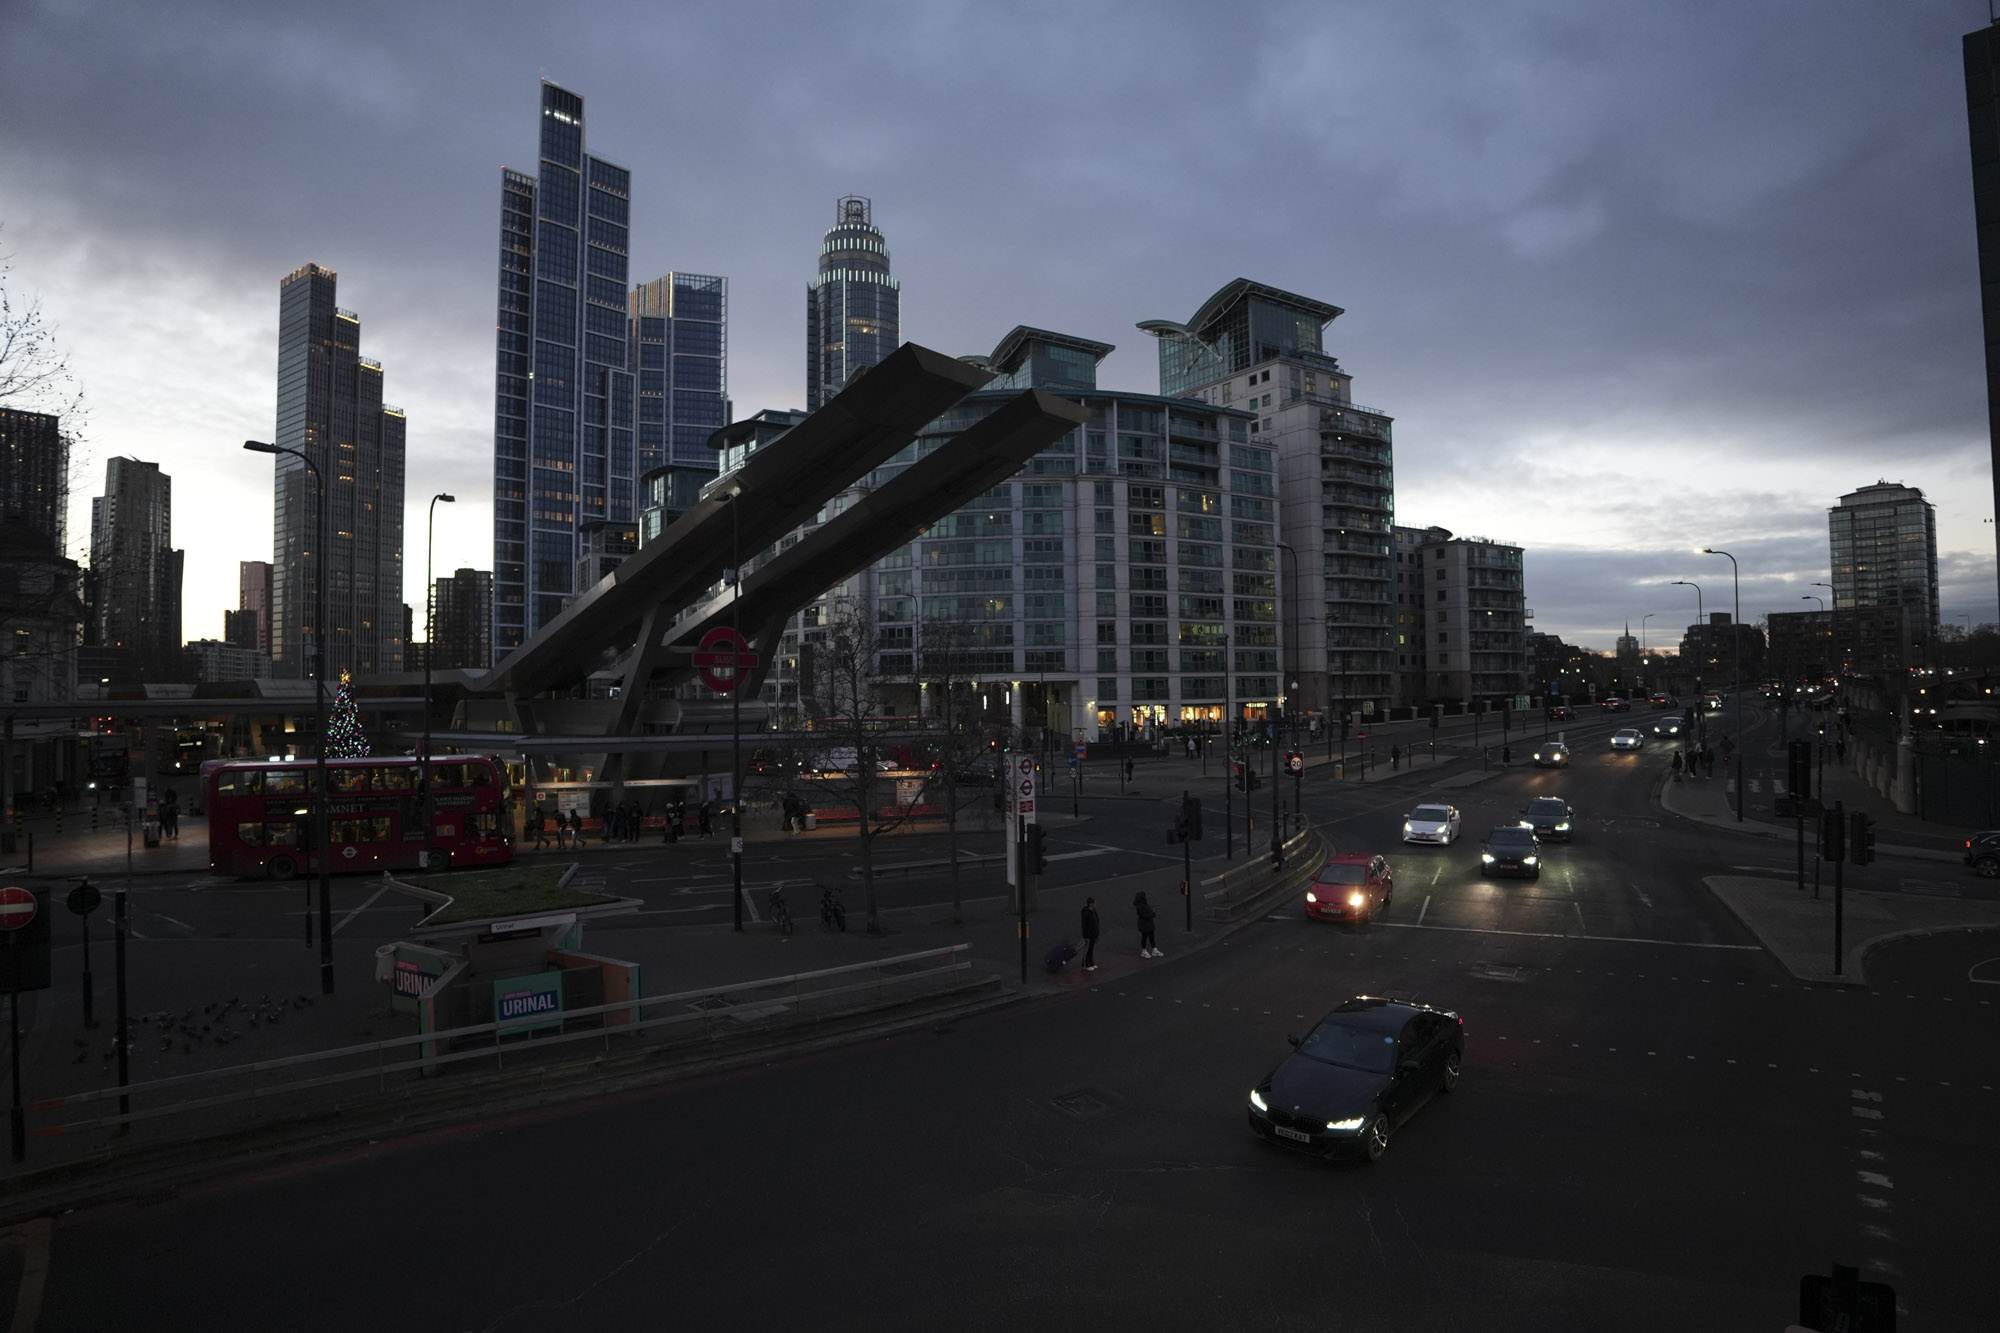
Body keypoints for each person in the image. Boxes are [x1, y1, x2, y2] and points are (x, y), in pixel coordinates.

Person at [1134, 890, 1160, 959]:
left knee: (1151, 936)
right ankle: (1144, 951)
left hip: (1148, 923)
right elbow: (1143, 915)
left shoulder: (1143, 903)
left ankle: (1154, 950)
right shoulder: (1139, 906)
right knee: (1144, 937)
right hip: (1144, 924)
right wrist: (1152, 914)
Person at [1078, 896, 1101, 970]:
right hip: (1088, 935)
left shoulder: (1093, 911)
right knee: (1087, 950)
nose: (1095, 904)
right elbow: (1084, 925)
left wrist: (1097, 934)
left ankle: (1091, 962)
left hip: (1093, 934)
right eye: (1094, 903)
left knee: (1091, 949)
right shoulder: (1086, 913)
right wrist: (1085, 935)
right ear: (1091, 904)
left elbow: (1097, 921)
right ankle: (1085, 965)